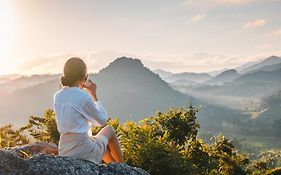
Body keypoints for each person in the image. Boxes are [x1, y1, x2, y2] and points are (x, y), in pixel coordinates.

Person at [53, 57, 124, 164]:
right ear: (84, 75)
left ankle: (115, 168)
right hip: (82, 150)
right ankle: (123, 167)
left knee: (99, 143)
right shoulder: (83, 97)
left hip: (64, 150)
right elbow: (102, 121)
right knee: (109, 130)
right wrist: (93, 94)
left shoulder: (57, 96)